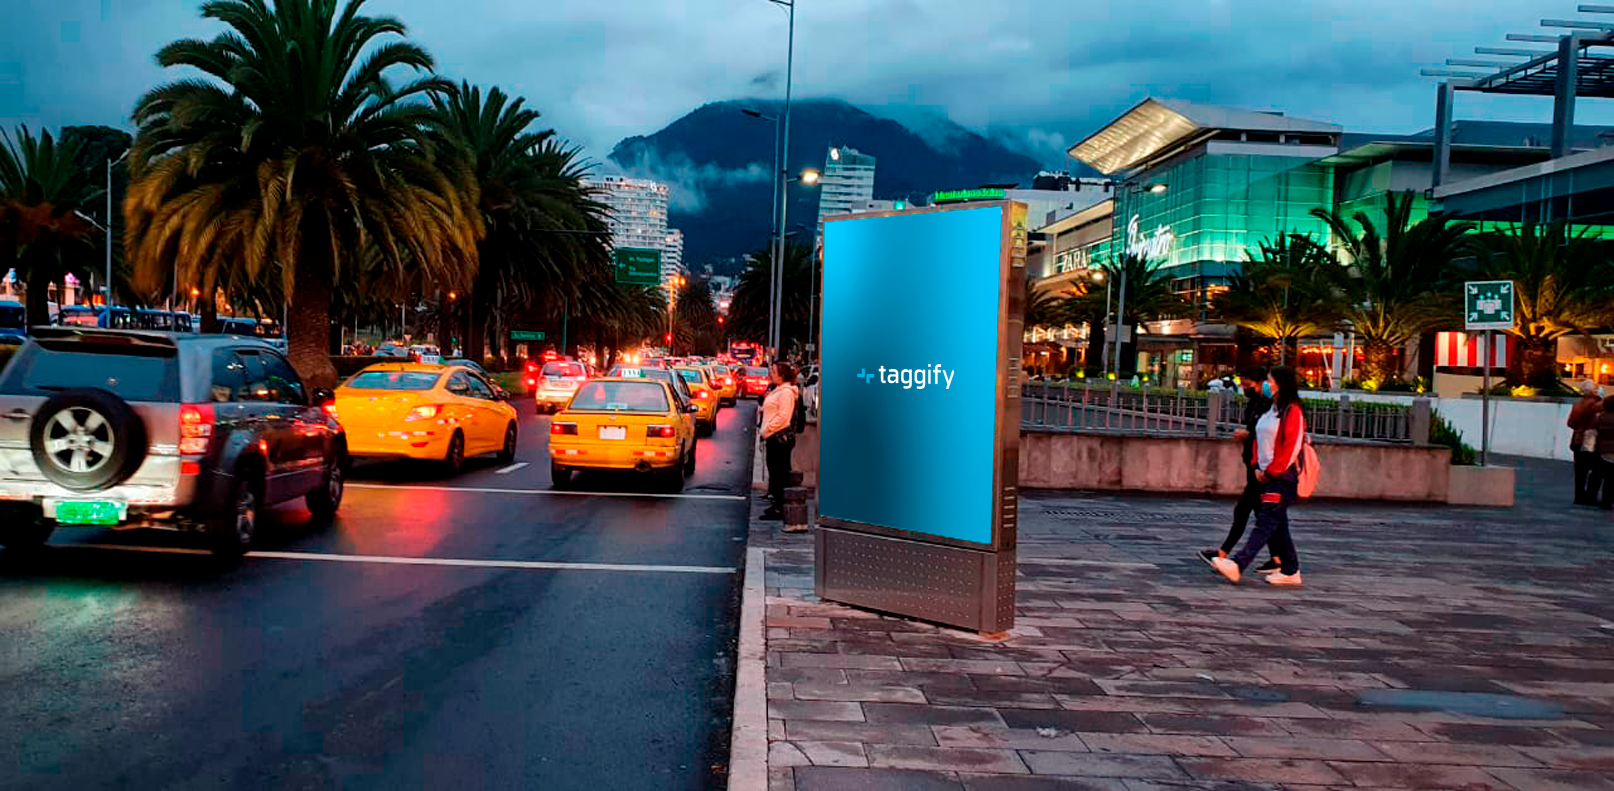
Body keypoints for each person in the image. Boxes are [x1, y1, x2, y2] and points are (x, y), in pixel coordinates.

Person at [1211, 366, 1306, 586]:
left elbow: (1291, 447)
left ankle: (1239, 563)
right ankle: (1290, 570)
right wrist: (1256, 466)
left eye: (1270, 381)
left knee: (1266, 522)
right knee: (1278, 524)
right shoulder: (1270, 409)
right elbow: (1257, 438)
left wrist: (1272, 471)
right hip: (1264, 474)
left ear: (1281, 384)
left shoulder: (1292, 411)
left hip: (1280, 477)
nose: (1267, 384)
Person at [1200, 368, 1279, 573]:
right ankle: (1277, 558)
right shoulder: (1255, 403)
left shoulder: (1271, 406)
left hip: (1261, 466)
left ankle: (1226, 554)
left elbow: (1268, 434)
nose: (1245, 388)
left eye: (1247, 384)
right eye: (1242, 384)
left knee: (1245, 510)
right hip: (1252, 462)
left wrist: (1248, 434)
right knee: (1262, 514)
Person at [759, 362, 799, 524]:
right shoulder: (778, 390)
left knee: (780, 473)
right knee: (774, 472)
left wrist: (768, 429)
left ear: (782, 375)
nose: (771, 373)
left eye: (774, 371)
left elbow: (784, 417)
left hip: (778, 437)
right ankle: (776, 504)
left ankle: (780, 507)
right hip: (772, 437)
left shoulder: (786, 393)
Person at [1569, 380, 1604, 506]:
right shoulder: (1597, 404)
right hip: (1591, 440)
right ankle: (1591, 496)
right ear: (1594, 390)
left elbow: (1571, 423)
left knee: (1580, 471)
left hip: (1577, 439)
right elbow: (1599, 422)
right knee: (1598, 469)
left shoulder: (1577, 404)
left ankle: (1579, 496)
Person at [1596, 396, 1614, 511]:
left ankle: (1605, 500)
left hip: (1603, 449)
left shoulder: (1601, 417)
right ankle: (1608, 501)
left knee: (1607, 477)